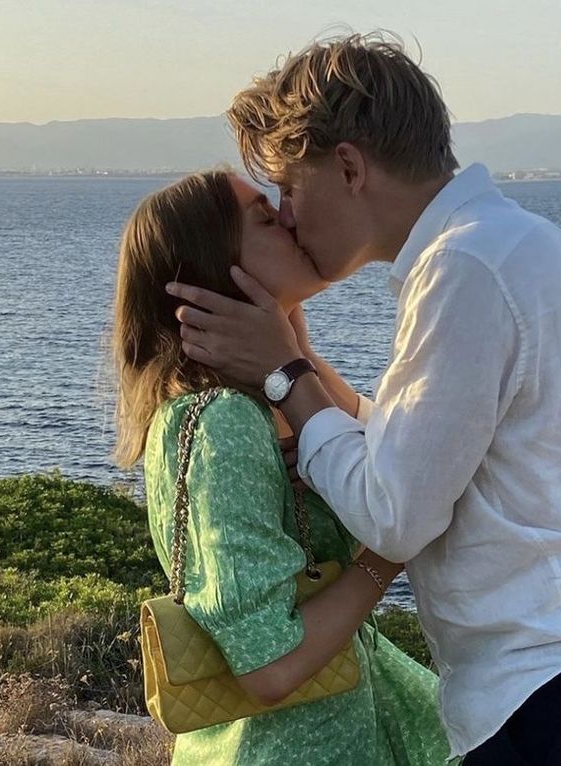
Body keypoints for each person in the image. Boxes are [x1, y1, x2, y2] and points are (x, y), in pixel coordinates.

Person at [164, 33, 561, 766]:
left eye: (290, 189)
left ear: (348, 166)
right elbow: (418, 448)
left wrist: (286, 377)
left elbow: (397, 510)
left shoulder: (464, 269)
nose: (287, 216)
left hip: (553, 687)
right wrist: (299, 357)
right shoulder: (509, 243)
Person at [111, 170, 454, 765]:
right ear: (214, 270)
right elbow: (269, 668)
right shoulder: (222, 422)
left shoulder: (265, 402)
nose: (290, 221)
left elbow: (389, 449)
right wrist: (391, 548)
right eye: (265, 220)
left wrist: (295, 355)